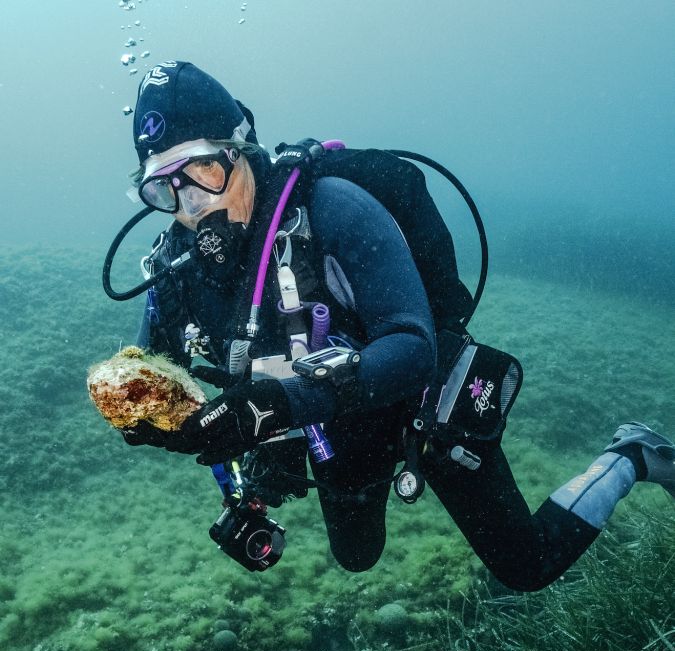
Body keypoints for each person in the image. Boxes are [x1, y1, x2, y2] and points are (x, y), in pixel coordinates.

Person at [118, 60, 674, 588]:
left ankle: (632, 456)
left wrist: (272, 405)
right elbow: (157, 372)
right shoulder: (175, 264)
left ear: (242, 149)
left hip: (420, 406)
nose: (190, 206)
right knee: (357, 557)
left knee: (527, 563)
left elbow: (412, 347)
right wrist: (157, 418)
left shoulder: (332, 208)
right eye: (164, 188)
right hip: (335, 431)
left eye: (204, 170)